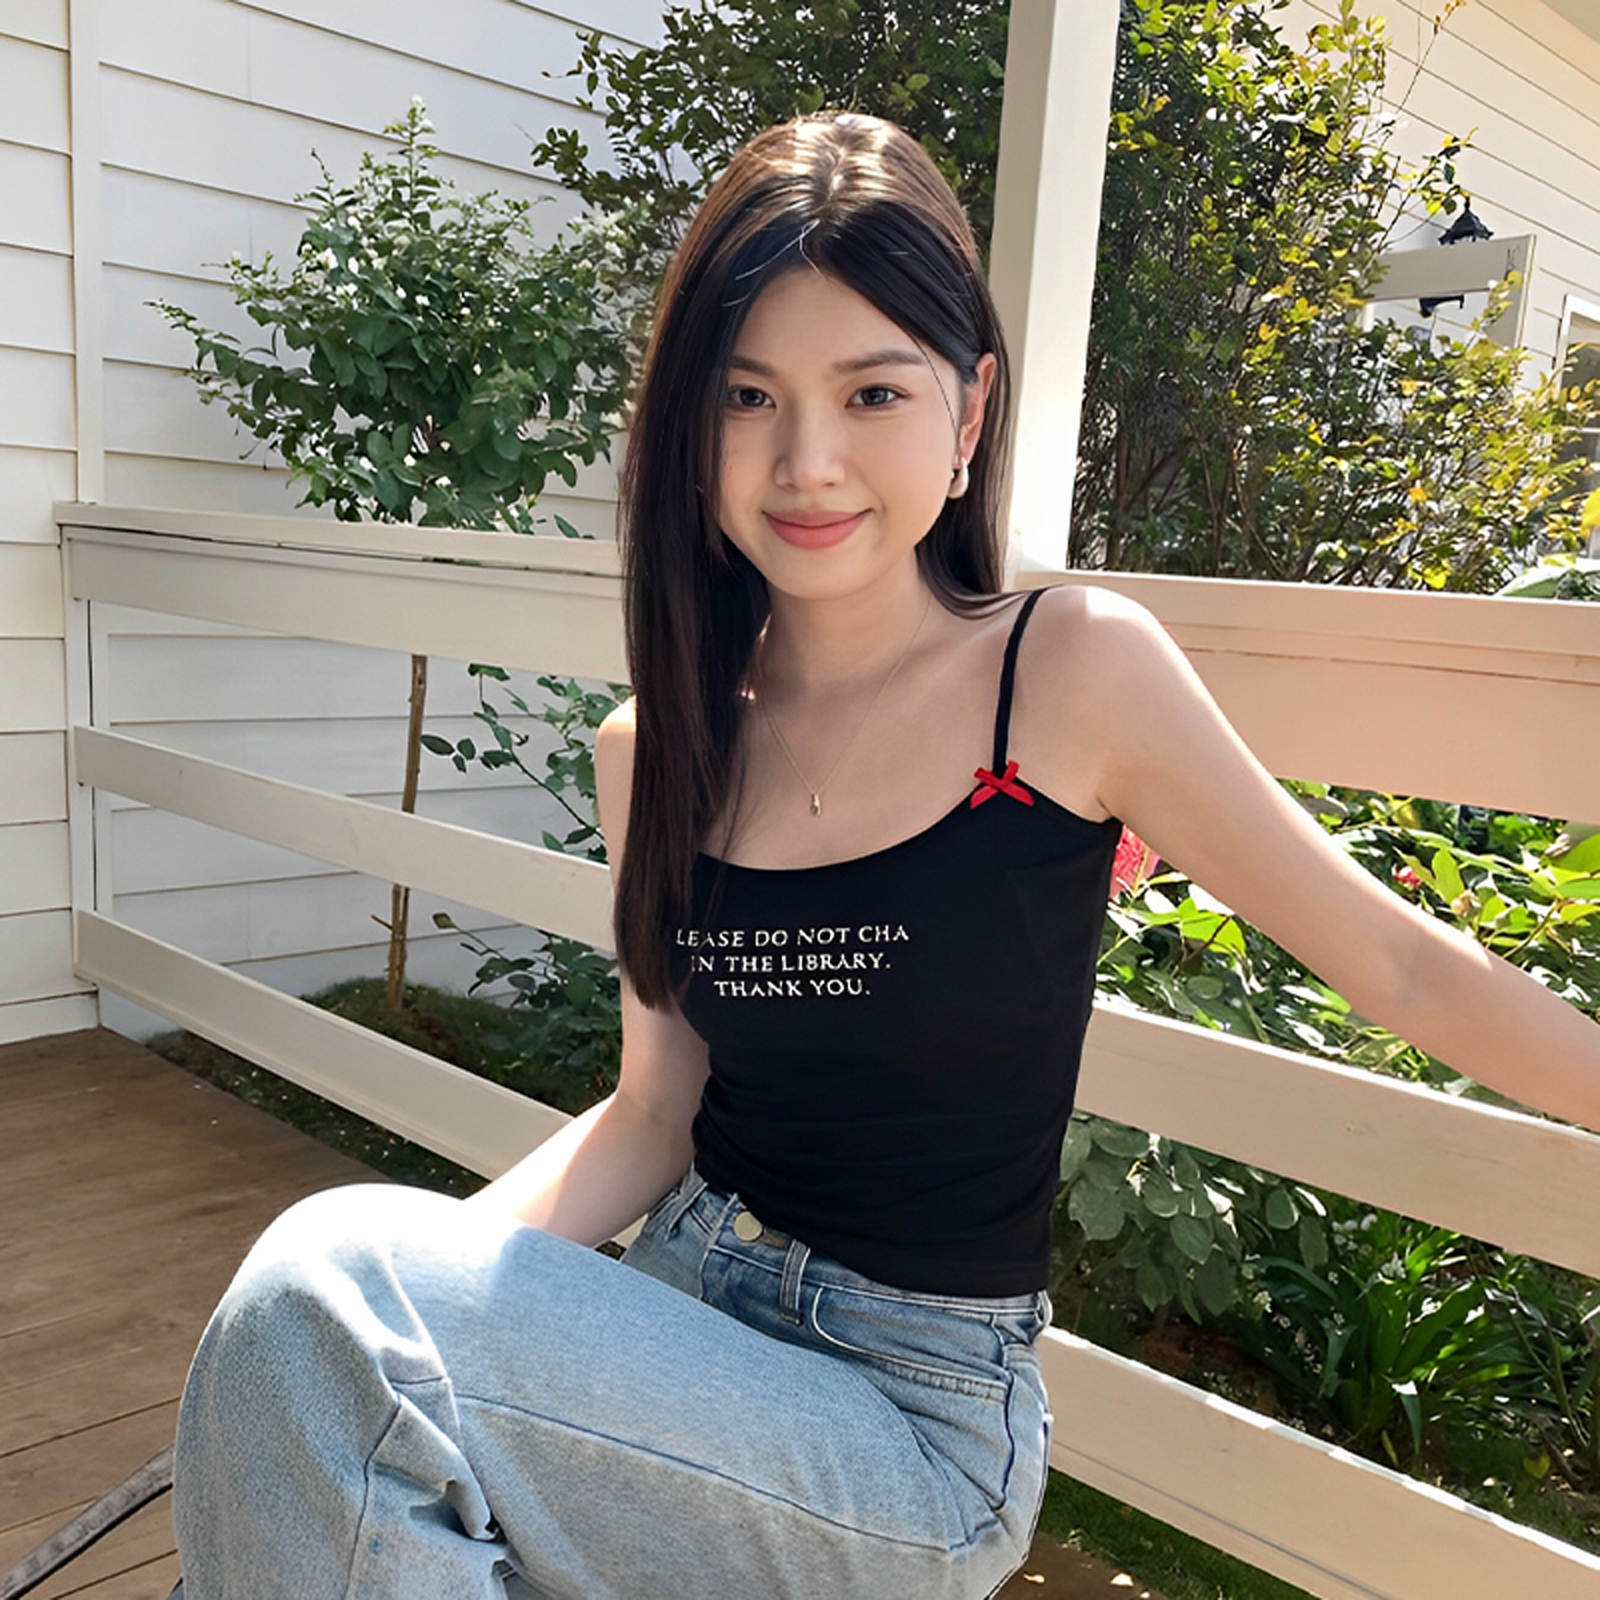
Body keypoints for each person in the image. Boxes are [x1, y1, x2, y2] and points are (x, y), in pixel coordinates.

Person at [171, 113, 1600, 1600]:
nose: (808, 461)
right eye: (748, 397)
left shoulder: (1066, 673)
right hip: (677, 1321)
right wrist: (383, 1329)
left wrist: (356, 1320)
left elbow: (1400, 965)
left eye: (872, 393)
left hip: (909, 1424)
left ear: (968, 414)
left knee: (322, 1347)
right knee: (317, 1420)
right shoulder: (657, 747)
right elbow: (653, 1115)